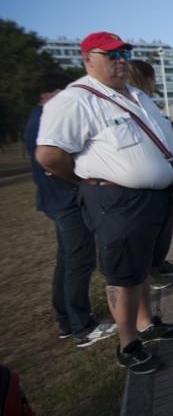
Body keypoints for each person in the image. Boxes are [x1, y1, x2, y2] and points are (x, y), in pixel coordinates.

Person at [35, 32, 173, 375]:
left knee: (143, 267)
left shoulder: (136, 95)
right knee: (122, 274)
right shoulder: (76, 99)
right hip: (116, 200)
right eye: (111, 54)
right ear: (88, 59)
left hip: (153, 200)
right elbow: (48, 155)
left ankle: (148, 324)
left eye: (124, 53)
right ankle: (128, 343)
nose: (120, 59)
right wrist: (84, 180)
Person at [24, 73, 115, 347]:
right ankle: (82, 326)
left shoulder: (38, 118)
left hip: (57, 200)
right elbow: (52, 159)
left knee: (66, 260)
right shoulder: (46, 119)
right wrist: (81, 181)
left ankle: (66, 319)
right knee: (79, 261)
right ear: (46, 94)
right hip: (66, 201)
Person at [126, 61, 173, 287]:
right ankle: (150, 271)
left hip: (164, 180)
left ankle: (157, 264)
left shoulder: (145, 102)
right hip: (144, 188)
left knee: (161, 228)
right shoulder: (130, 103)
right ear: (146, 78)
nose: (155, 83)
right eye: (153, 79)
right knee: (147, 234)